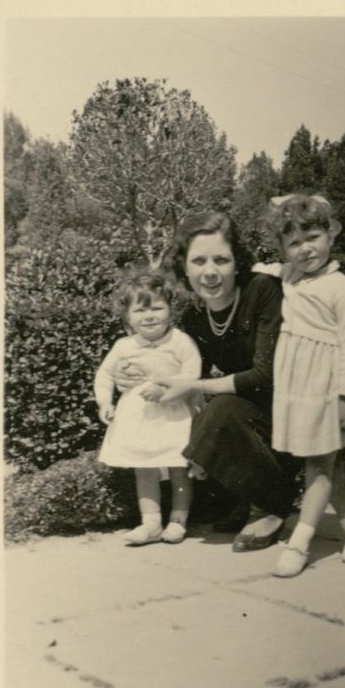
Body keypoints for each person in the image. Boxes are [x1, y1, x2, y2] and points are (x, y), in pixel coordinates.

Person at [119, 210, 298, 550]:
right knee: (208, 411)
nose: (210, 272)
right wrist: (130, 372)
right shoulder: (196, 313)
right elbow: (173, 362)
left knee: (221, 410)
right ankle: (248, 497)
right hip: (255, 409)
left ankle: (269, 507)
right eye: (199, 261)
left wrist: (192, 387)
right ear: (184, 266)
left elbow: (266, 376)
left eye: (221, 259)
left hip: (293, 405)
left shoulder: (263, 291)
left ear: (238, 262)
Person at [255, 193, 345, 578]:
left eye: (312, 237)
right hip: (299, 386)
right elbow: (264, 269)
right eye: (293, 243)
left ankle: (300, 543)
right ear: (283, 250)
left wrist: (344, 396)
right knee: (327, 461)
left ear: (331, 235)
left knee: (320, 461)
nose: (305, 249)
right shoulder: (290, 276)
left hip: (330, 386)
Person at [94, 270, 202, 546]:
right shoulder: (124, 346)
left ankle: (178, 521)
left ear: (170, 310)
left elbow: (192, 373)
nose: (149, 316)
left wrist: (168, 389)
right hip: (138, 417)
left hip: (174, 415)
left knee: (178, 467)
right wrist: (105, 401)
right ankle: (151, 523)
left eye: (157, 307)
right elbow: (104, 375)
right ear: (128, 316)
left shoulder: (180, 341)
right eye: (140, 310)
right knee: (144, 470)